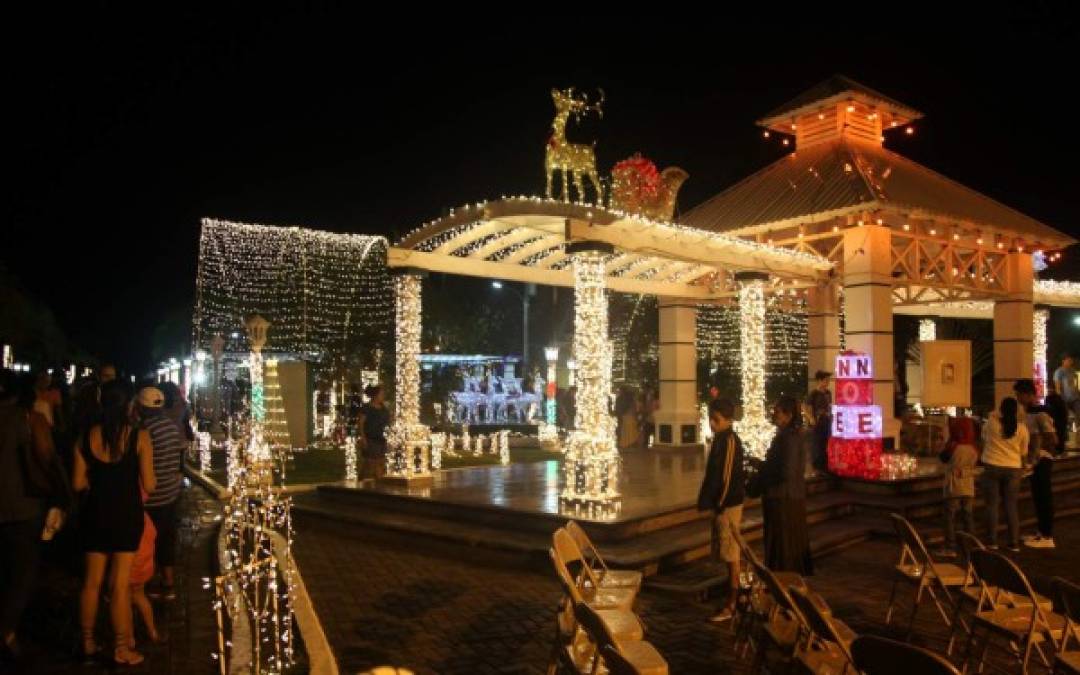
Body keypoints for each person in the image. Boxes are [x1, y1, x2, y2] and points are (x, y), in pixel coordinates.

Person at [73, 381, 156, 666]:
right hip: (126, 516)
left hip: (95, 513)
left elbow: (77, 482)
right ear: (128, 405)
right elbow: (150, 483)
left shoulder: (85, 437)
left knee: (91, 582)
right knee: (120, 585)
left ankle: (87, 641)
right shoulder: (139, 437)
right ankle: (121, 647)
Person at [749, 396, 812, 575]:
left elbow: (785, 471)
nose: (773, 414)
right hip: (788, 496)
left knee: (783, 545)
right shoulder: (790, 436)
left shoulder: (788, 438)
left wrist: (761, 470)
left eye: (777, 411)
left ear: (788, 415)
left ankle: (783, 580)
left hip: (783, 498)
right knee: (785, 544)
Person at [697, 398, 746, 623]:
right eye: (711, 419)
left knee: (731, 551)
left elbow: (726, 477)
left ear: (727, 419)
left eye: (715, 419)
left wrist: (720, 503)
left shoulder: (729, 441)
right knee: (726, 551)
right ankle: (732, 593)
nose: (712, 423)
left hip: (727, 504)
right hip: (721, 503)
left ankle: (733, 600)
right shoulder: (720, 439)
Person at [137, 386, 186, 600]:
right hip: (170, 493)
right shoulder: (171, 427)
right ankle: (168, 580)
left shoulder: (144, 431)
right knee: (167, 538)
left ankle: (145, 582)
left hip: (150, 496)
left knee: (147, 541)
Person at [1013, 379, 1059, 549]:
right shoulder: (1028, 413)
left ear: (1029, 395)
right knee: (1038, 496)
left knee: (1043, 496)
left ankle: (1047, 535)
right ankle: (1041, 532)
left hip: (1042, 459)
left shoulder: (1040, 413)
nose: (1018, 398)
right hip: (1035, 459)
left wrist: (1038, 455)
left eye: (1020, 394)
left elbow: (1052, 437)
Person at [980, 397, 1028, 551]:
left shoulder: (991, 424)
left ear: (1000, 409)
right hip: (1013, 468)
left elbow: (983, 438)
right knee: (1011, 506)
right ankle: (1013, 542)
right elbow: (1024, 452)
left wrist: (996, 414)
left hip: (992, 465)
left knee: (992, 505)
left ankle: (992, 541)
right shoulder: (1021, 428)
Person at [938, 416, 978, 557]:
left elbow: (943, 458)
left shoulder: (953, 446)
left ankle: (950, 547)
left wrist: (944, 443)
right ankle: (971, 545)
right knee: (968, 516)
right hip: (968, 486)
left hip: (953, 486)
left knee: (950, 516)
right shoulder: (973, 447)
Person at [357, 385, 389, 479]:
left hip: (382, 439)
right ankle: (364, 480)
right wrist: (363, 438)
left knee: (380, 462)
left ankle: (379, 481)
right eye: (381, 394)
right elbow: (360, 423)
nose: (383, 396)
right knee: (370, 463)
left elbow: (388, 421)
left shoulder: (384, 408)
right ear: (375, 395)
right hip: (371, 439)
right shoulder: (367, 408)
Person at [807, 370, 832, 472]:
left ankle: (824, 467)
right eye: (826, 380)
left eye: (828, 380)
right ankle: (817, 468)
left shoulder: (828, 393)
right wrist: (811, 418)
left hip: (827, 422)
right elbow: (806, 407)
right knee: (817, 446)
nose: (827, 383)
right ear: (819, 381)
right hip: (817, 424)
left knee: (825, 445)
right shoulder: (813, 394)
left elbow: (829, 405)